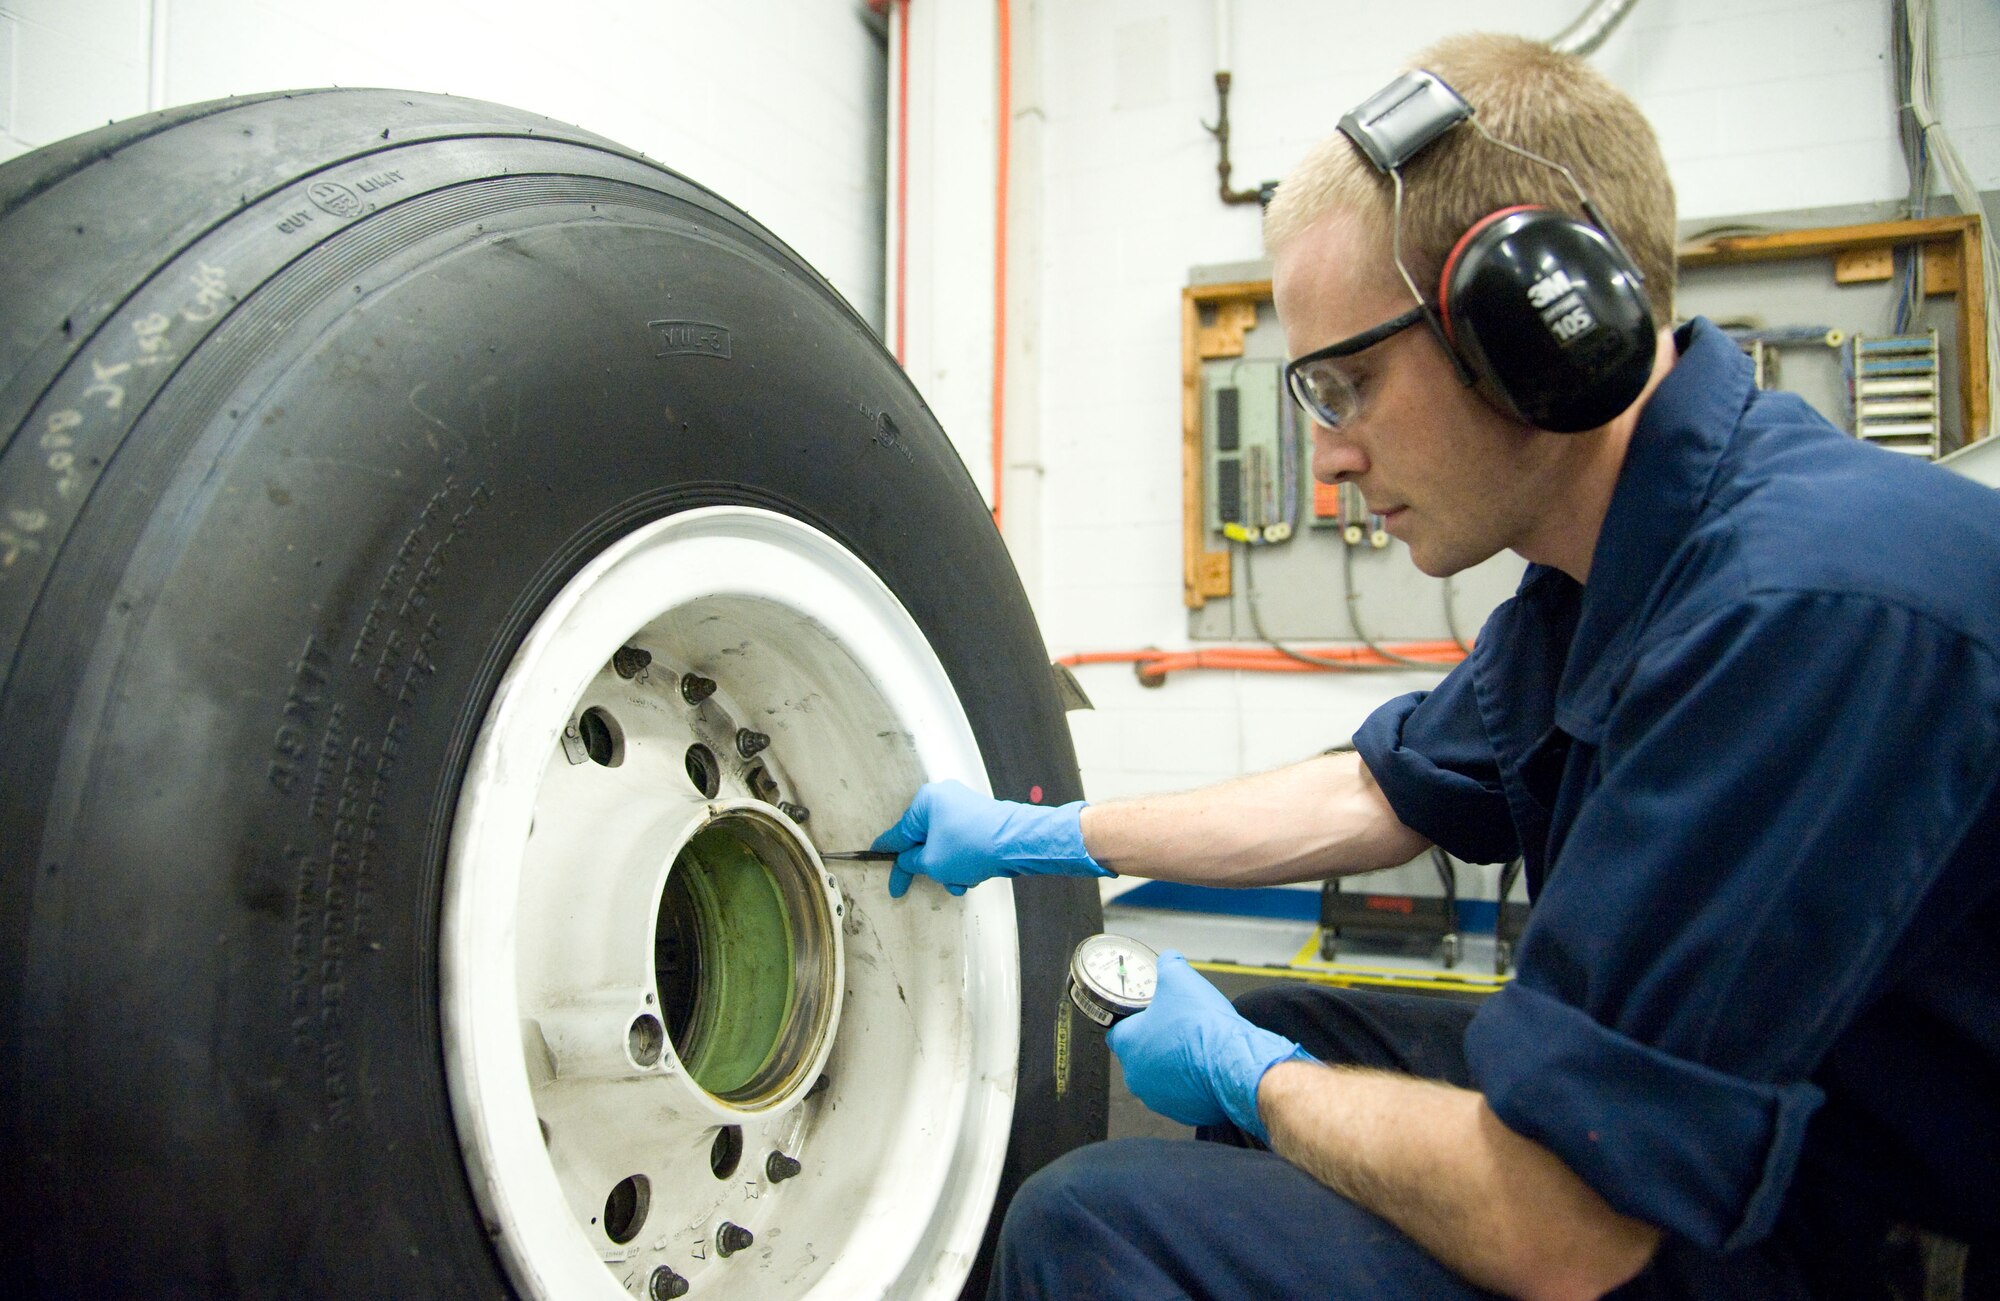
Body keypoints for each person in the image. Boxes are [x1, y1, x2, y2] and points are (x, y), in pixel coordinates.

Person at [870, 30, 2000, 1301]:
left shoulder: (1800, 611)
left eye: (1347, 385)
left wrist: (1257, 1082)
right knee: (1293, 1019)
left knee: (1095, 1220)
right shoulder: (1604, 577)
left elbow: (1560, 1228)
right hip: (1772, 1145)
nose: (1329, 459)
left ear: (1534, 329)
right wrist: (1045, 836)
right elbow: (1373, 794)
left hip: (1883, 1239)